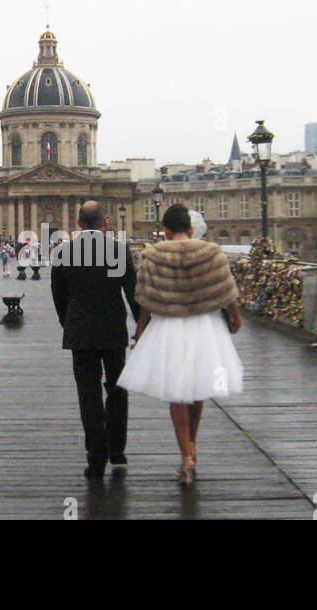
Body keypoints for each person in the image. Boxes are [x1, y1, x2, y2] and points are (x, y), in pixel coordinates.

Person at [116, 205, 243, 486]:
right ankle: (193, 445)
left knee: (177, 392)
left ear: (166, 230)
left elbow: (145, 299)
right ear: (190, 227)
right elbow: (226, 288)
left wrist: (139, 332)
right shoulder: (211, 252)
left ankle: (185, 455)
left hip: (170, 325)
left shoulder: (154, 254)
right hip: (204, 325)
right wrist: (235, 317)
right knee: (198, 389)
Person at [51, 201, 140, 478]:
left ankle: (96, 456)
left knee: (88, 393)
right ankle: (117, 449)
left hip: (81, 333)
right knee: (117, 389)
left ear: (78, 224)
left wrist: (69, 322)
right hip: (113, 329)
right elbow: (131, 292)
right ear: (105, 222)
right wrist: (141, 327)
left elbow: (59, 296)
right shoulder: (118, 250)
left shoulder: (64, 252)